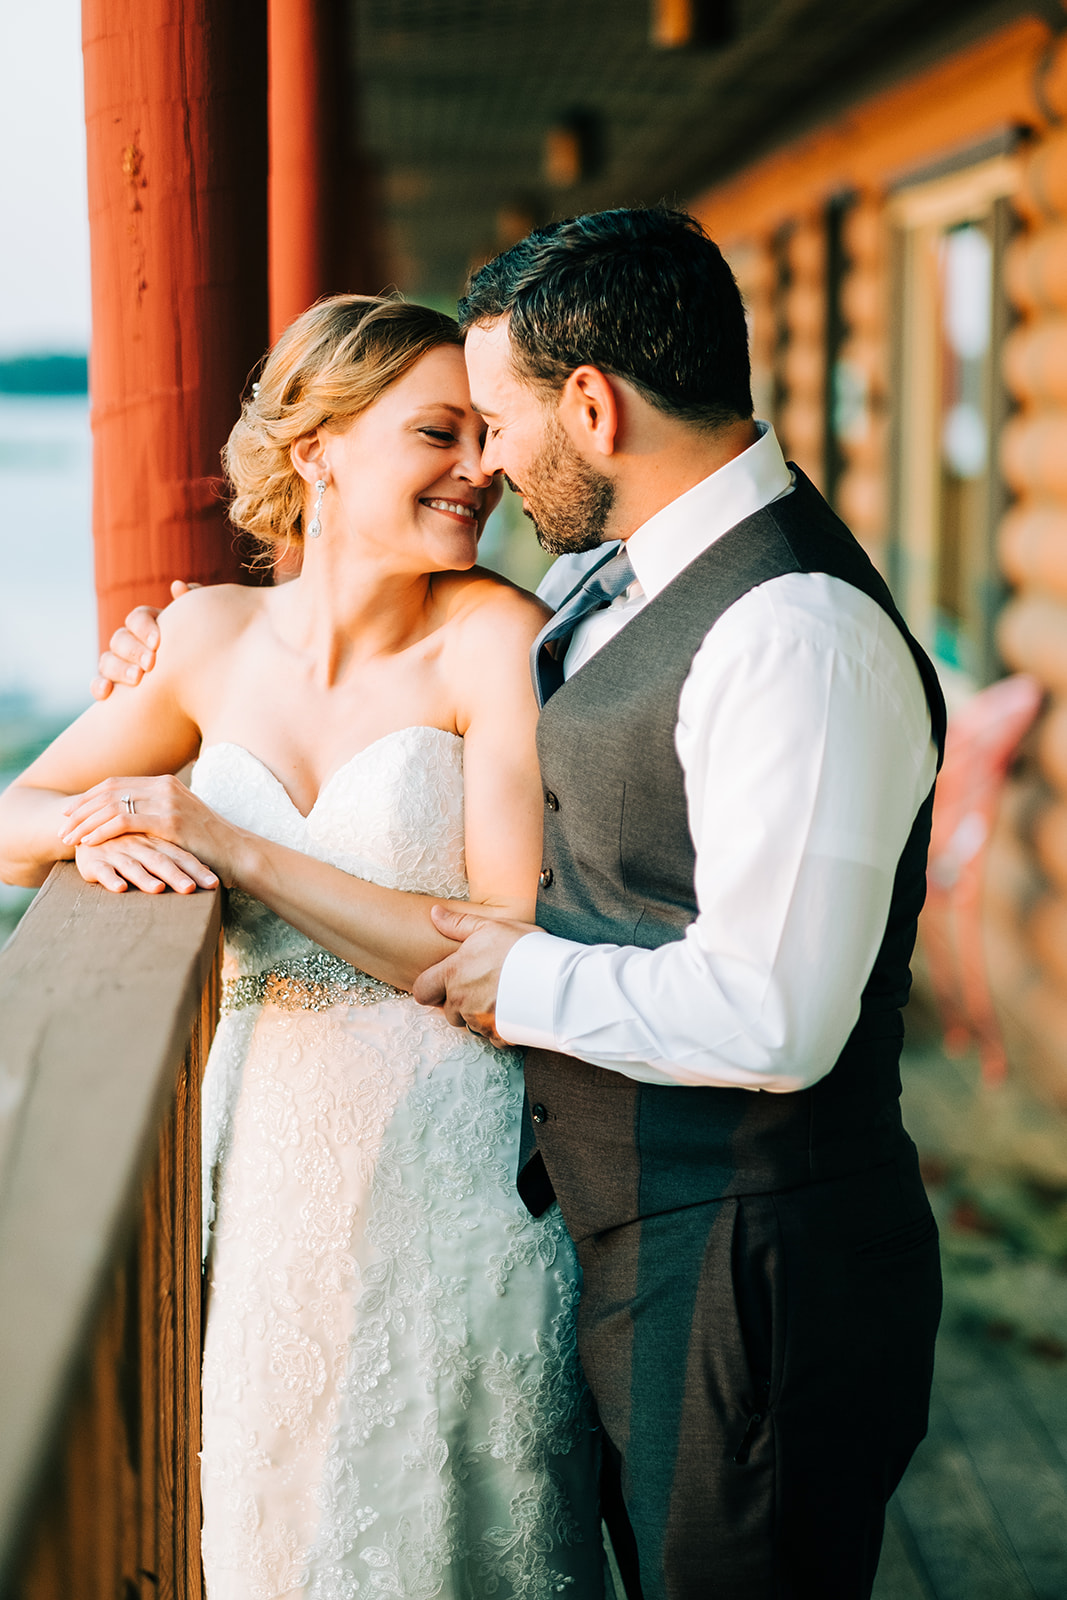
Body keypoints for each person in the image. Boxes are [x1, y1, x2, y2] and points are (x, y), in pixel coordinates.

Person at [91, 208, 946, 1600]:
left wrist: (509, 971)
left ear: (593, 406)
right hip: (614, 1227)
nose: (484, 460)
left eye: (491, 420)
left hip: (751, 1255)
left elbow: (777, 1017)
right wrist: (184, 649)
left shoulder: (794, 630)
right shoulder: (604, 582)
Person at [0, 295, 608, 1599]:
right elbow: (11, 820)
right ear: (321, 446)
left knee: (451, 1525)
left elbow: (501, 938)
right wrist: (99, 826)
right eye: (439, 433)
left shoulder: (492, 643)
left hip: (451, 1160)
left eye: (486, 436)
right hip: (263, 1159)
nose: (481, 469)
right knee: (277, 1522)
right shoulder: (207, 637)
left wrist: (230, 841)